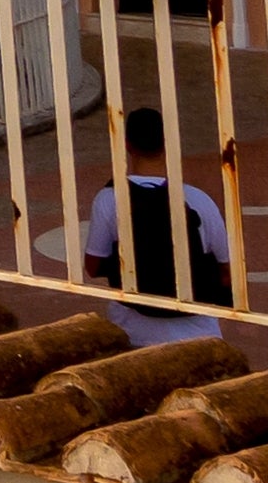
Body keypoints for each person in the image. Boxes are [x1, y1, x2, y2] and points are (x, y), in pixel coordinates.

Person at [80, 104, 236, 345]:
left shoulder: (109, 200)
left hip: (133, 332)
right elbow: (228, 273)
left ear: (127, 145)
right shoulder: (198, 200)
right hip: (198, 334)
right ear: (166, 144)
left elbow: (92, 266)